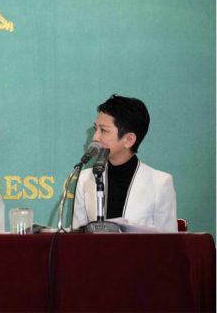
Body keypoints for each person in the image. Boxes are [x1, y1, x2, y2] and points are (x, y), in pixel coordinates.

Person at [72, 95, 177, 232]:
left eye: (103, 130)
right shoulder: (84, 179)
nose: (95, 137)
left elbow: (168, 241)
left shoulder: (160, 183)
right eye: (95, 129)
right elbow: (76, 237)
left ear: (129, 140)